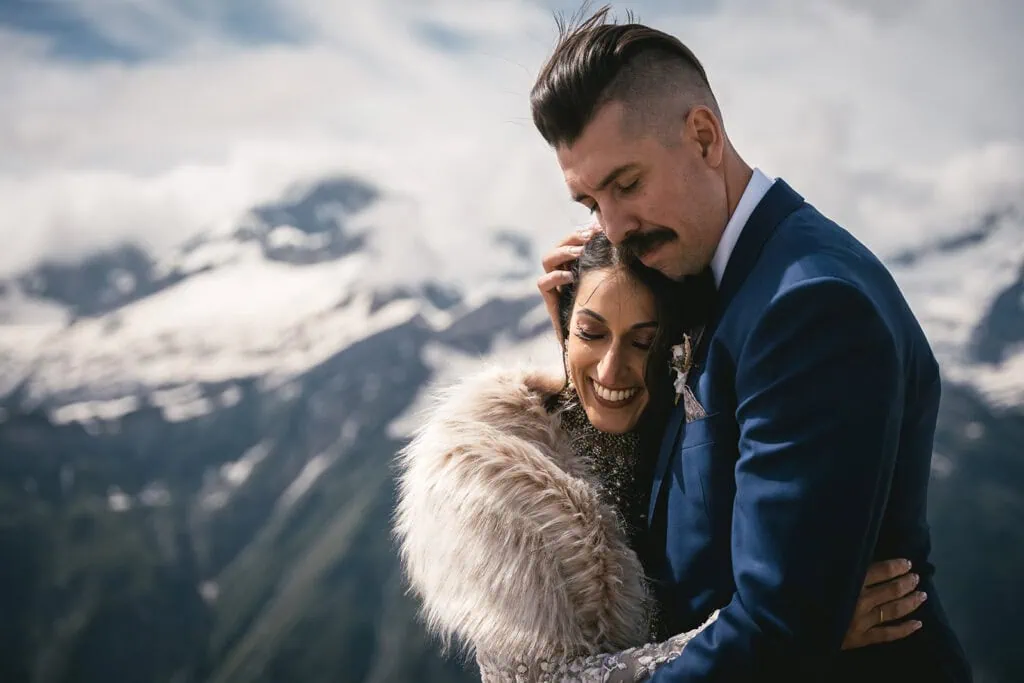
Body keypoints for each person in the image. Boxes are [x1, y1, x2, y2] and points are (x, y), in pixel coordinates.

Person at [531, 6, 972, 682]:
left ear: (705, 136)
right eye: (592, 204)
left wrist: (803, 623)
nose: (614, 231)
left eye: (627, 184)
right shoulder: (704, 270)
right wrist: (576, 337)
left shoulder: (808, 306)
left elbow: (777, 626)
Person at [394, 233, 924, 682]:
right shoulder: (489, 475)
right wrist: (800, 632)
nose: (609, 370)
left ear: (675, 345)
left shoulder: (686, 426)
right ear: (562, 325)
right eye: (590, 332)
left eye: (643, 342)